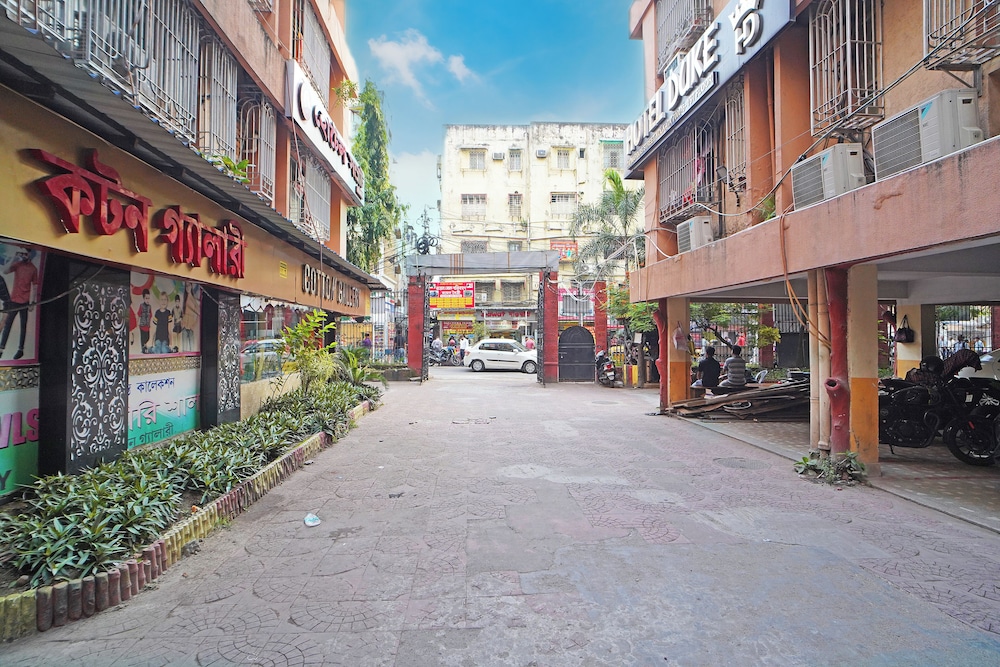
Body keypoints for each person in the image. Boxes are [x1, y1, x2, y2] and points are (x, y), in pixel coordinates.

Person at [0, 248, 38, 360]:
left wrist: (32, 302)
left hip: (25, 301)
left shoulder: (33, 269)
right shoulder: (18, 264)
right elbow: (5, 271)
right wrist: (14, 258)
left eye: (27, 253)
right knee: (8, 324)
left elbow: (35, 286)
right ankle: (1, 348)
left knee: (23, 325)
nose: (25, 255)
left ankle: (20, 349)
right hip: (14, 299)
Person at [137, 288, 153, 353]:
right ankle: (143, 349)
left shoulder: (150, 306)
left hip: (147, 325)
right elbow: (138, 314)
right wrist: (137, 322)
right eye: (146, 298)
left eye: (148, 298)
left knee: (147, 337)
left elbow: (150, 316)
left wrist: (150, 324)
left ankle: (145, 348)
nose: (147, 300)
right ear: (143, 298)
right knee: (143, 338)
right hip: (142, 325)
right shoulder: (141, 306)